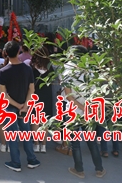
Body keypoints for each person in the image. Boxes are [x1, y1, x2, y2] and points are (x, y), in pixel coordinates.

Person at [62, 45, 106, 178]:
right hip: (88, 111)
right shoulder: (90, 71)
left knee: (75, 144)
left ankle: (79, 170)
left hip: (73, 112)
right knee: (91, 141)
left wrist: (83, 108)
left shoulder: (67, 71)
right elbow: (96, 93)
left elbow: (69, 96)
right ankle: (99, 169)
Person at [0, 40, 41, 172]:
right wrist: (25, 105)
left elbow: (4, 95)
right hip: (25, 106)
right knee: (26, 133)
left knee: (12, 135)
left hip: (10, 106)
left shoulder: (3, 71)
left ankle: (15, 162)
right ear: (19, 51)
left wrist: (17, 105)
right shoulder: (27, 69)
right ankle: (32, 160)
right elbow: (32, 89)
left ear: (5, 53)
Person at [30, 45, 54, 153]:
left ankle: (36, 144)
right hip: (47, 95)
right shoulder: (50, 68)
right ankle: (43, 145)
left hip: (35, 95)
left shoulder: (32, 68)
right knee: (45, 121)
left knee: (35, 120)